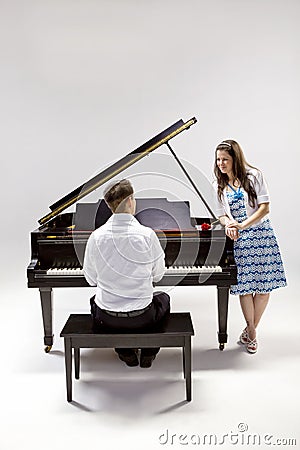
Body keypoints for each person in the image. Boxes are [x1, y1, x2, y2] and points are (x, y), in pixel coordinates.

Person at [83, 179, 170, 368]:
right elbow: (158, 276)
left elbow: (90, 280)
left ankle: (124, 351)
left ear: (109, 205)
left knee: (95, 300)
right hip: (143, 318)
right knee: (164, 299)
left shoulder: (96, 237)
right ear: (130, 200)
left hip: (106, 319)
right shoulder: (147, 235)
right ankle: (149, 351)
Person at [213, 140, 287, 353]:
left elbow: (265, 208)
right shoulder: (218, 184)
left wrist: (242, 225)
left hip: (262, 236)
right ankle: (252, 333)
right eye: (218, 159)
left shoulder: (254, 176)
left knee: (264, 289)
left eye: (225, 159)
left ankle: (249, 329)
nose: (221, 164)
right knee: (245, 288)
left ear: (235, 158)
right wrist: (229, 225)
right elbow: (221, 215)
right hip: (240, 241)